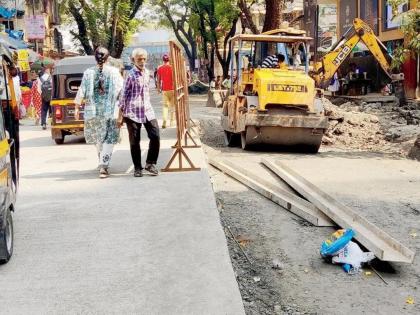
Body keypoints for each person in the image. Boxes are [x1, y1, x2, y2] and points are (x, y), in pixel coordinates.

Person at [74, 47, 123, 179]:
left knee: (98, 138)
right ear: (108, 58)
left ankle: (101, 161)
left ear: (95, 57)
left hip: (93, 112)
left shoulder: (88, 72)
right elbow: (121, 92)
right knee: (109, 138)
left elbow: (82, 90)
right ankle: (103, 165)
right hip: (111, 111)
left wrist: (77, 107)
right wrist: (123, 110)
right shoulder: (114, 72)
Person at [118, 48, 160, 178]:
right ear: (133, 60)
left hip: (147, 110)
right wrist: (120, 116)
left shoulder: (147, 73)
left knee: (155, 135)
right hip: (132, 112)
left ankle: (150, 163)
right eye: (139, 59)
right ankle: (137, 167)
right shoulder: (130, 75)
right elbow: (123, 96)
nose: (142, 62)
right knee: (135, 141)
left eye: (144, 59)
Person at [156, 54, 175, 129]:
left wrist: (158, 89)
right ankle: (171, 121)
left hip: (164, 90)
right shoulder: (172, 67)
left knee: (165, 106)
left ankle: (164, 121)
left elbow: (158, 80)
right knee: (172, 106)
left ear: (163, 60)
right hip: (173, 89)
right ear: (169, 60)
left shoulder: (160, 68)